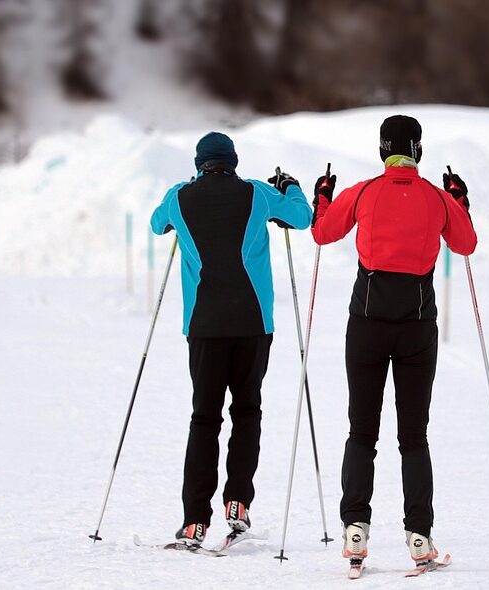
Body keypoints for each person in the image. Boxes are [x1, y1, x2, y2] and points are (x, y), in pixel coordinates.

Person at [309, 115, 477, 568]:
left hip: (366, 324)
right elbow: (465, 244)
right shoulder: (438, 198)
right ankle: (419, 536)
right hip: (417, 327)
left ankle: (355, 530)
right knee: (414, 436)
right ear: (418, 150)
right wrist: (460, 201)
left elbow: (322, 232)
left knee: (361, 431)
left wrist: (322, 197)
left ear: (383, 150)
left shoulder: (363, 192)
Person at [150, 131, 312, 548]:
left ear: (199, 163)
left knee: (204, 418)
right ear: (234, 162)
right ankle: (238, 500)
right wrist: (290, 185)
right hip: (253, 323)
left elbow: (156, 224)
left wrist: (182, 188)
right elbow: (301, 217)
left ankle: (194, 522)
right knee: (247, 411)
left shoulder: (180, 197)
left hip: (204, 325)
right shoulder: (256, 193)